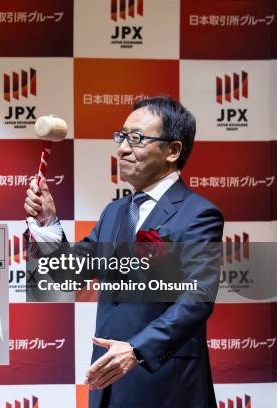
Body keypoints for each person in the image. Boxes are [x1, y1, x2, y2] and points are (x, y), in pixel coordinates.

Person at [24, 96, 224, 408]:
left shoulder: (198, 214)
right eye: (122, 137)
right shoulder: (114, 213)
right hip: (108, 383)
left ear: (172, 151)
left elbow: (197, 299)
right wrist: (47, 222)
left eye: (137, 138)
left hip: (165, 385)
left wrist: (137, 350)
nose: (122, 149)